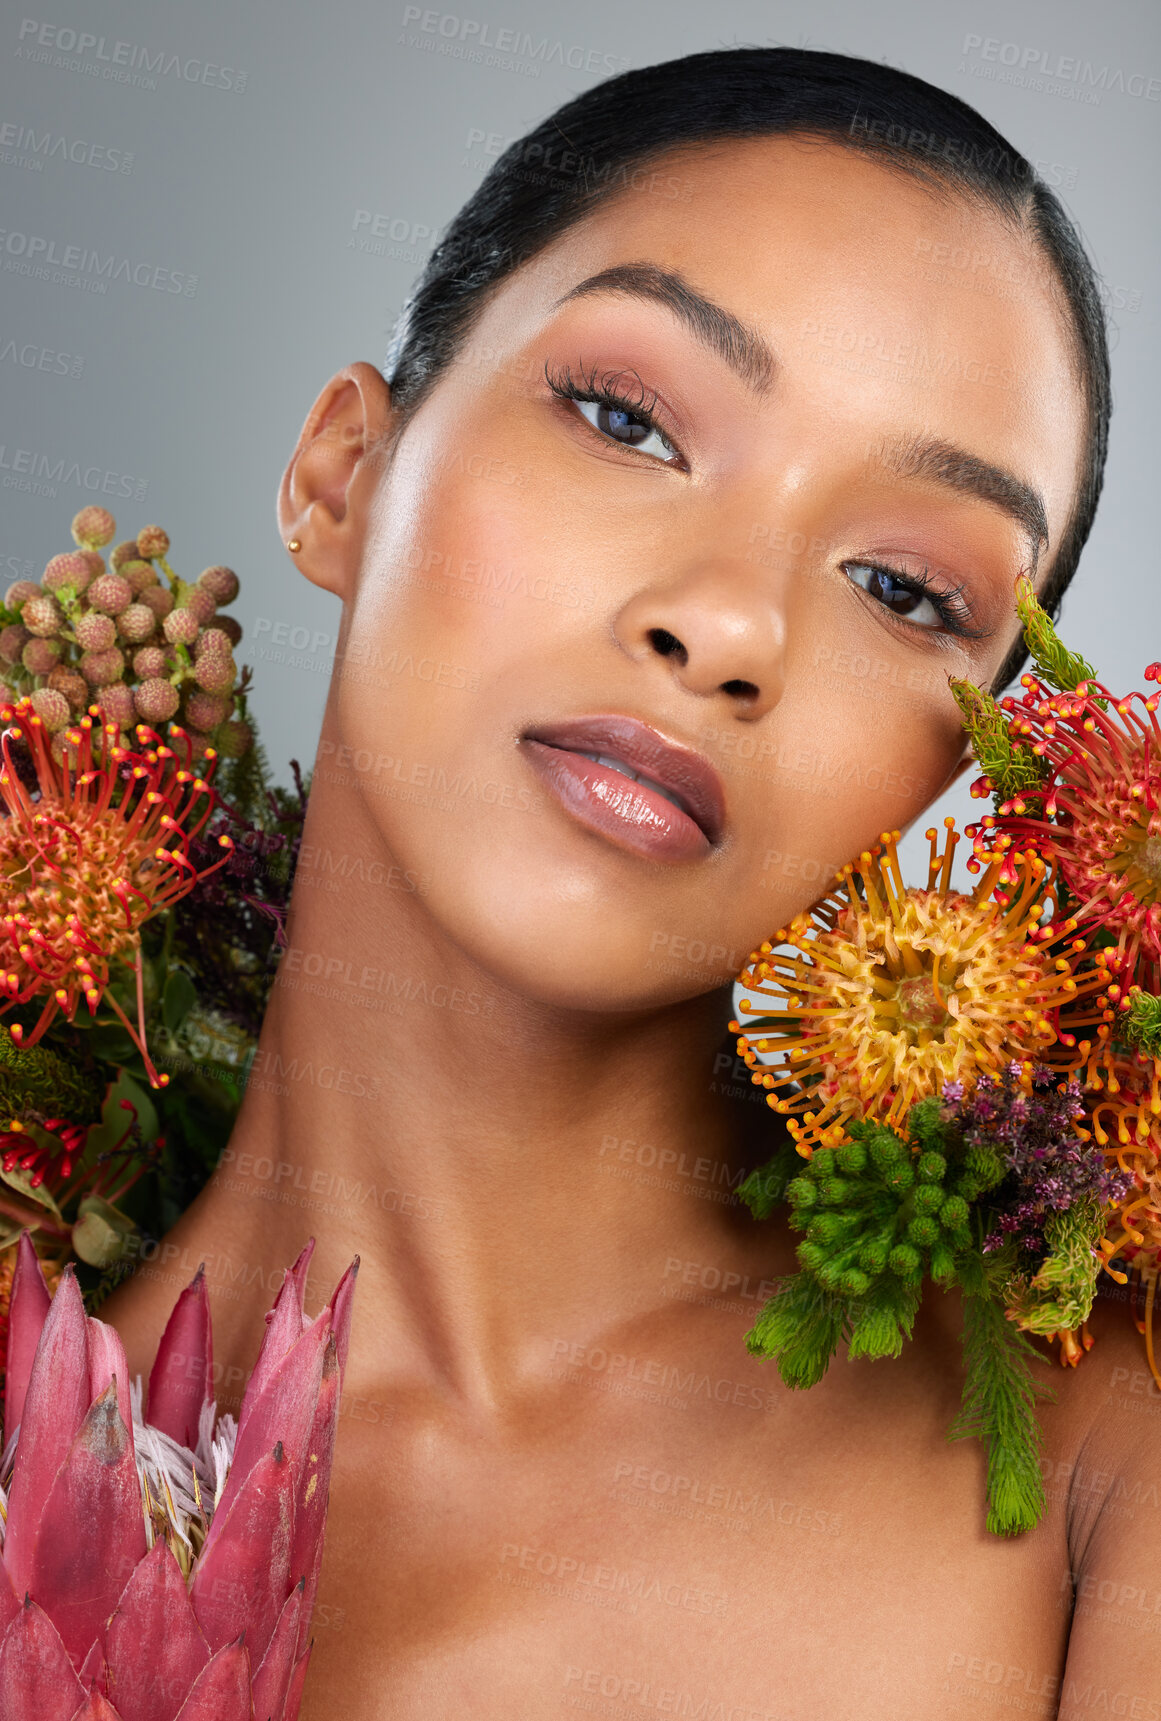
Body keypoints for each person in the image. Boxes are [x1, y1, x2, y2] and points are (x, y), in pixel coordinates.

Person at [105, 47, 1158, 1721]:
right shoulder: (41, 1425)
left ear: (952, 766)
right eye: (626, 419)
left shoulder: (1096, 1475)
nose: (730, 627)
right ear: (340, 477)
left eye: (900, 585)